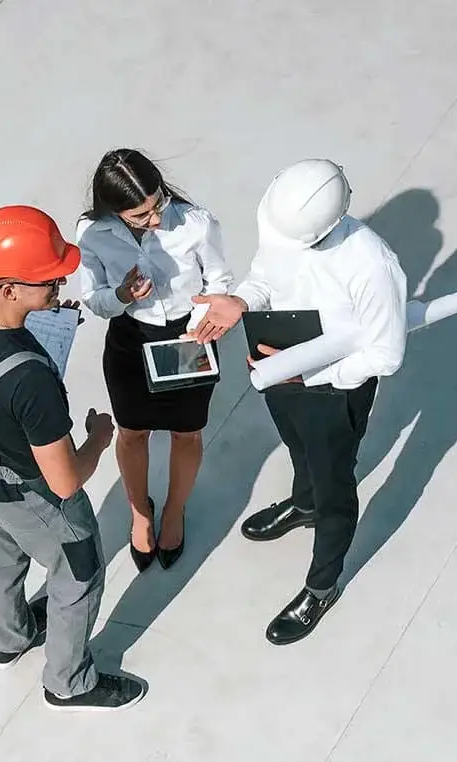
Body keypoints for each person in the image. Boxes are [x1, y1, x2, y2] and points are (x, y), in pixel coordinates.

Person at [0, 204, 143, 711]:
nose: (59, 289)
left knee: (0, 550)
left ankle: (11, 638)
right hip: (24, 489)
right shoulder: (31, 381)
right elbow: (66, 482)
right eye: (48, 281)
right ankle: (69, 681)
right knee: (79, 567)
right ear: (7, 288)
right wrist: (97, 437)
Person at [190, 159, 408, 645]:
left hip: (335, 389)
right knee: (296, 446)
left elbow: (386, 354)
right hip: (279, 367)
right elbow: (265, 275)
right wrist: (241, 301)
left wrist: (310, 369)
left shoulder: (372, 264)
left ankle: (322, 585)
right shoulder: (281, 220)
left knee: (336, 486)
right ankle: (303, 504)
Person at [75, 149, 233, 571]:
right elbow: (95, 300)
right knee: (132, 433)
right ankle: (141, 513)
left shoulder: (196, 224)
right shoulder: (92, 234)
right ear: (115, 212)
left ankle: (175, 510)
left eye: (158, 204)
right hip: (131, 338)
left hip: (187, 334)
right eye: (141, 216)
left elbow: (218, 280)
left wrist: (202, 325)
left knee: (186, 433)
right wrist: (122, 296)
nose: (156, 220)